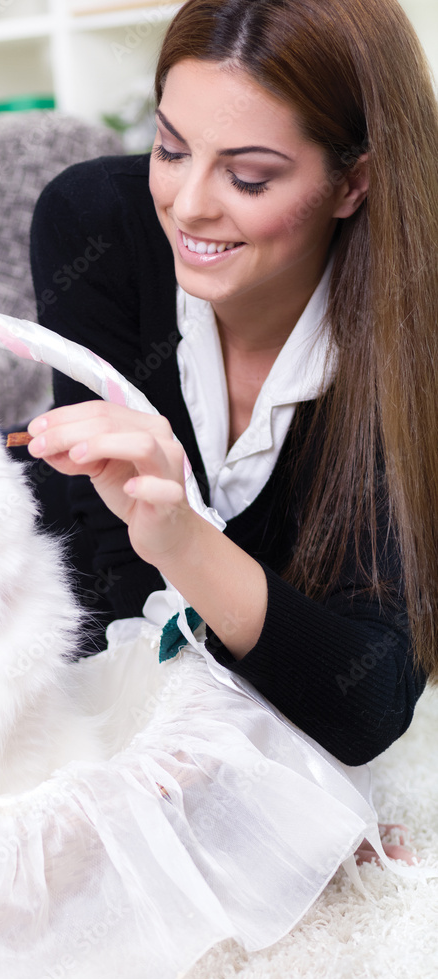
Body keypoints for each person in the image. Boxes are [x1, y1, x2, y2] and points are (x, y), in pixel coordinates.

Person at [28, 0, 438, 767]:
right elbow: (108, 558)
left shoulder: (414, 340)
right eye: (169, 149)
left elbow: (368, 701)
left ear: (352, 183)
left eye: (247, 177)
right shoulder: (96, 223)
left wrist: (182, 537)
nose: (187, 207)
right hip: (25, 570)